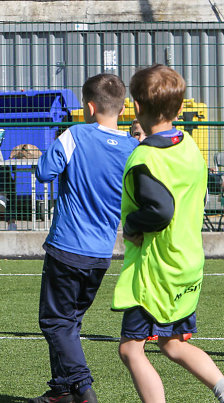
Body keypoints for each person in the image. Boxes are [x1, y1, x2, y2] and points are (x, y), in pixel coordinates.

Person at [111, 64, 224, 403]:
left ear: (136, 107)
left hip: (157, 273)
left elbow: (160, 210)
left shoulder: (145, 158)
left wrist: (131, 226)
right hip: (187, 262)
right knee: (172, 344)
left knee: (131, 350)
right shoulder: (188, 144)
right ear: (178, 109)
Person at [29, 73, 138, 403]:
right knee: (70, 323)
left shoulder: (75, 135)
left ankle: (82, 387)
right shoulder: (132, 147)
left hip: (67, 246)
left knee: (54, 321)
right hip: (102, 252)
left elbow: (44, 171)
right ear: (122, 109)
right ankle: (61, 390)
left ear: (89, 107)